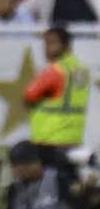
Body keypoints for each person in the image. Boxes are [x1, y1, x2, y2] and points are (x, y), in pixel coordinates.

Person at [24, 27, 90, 166]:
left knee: (51, 183)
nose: (47, 49)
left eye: (52, 43)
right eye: (46, 44)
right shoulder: (82, 70)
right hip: (73, 138)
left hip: (50, 138)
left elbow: (29, 95)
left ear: (66, 46)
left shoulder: (55, 70)